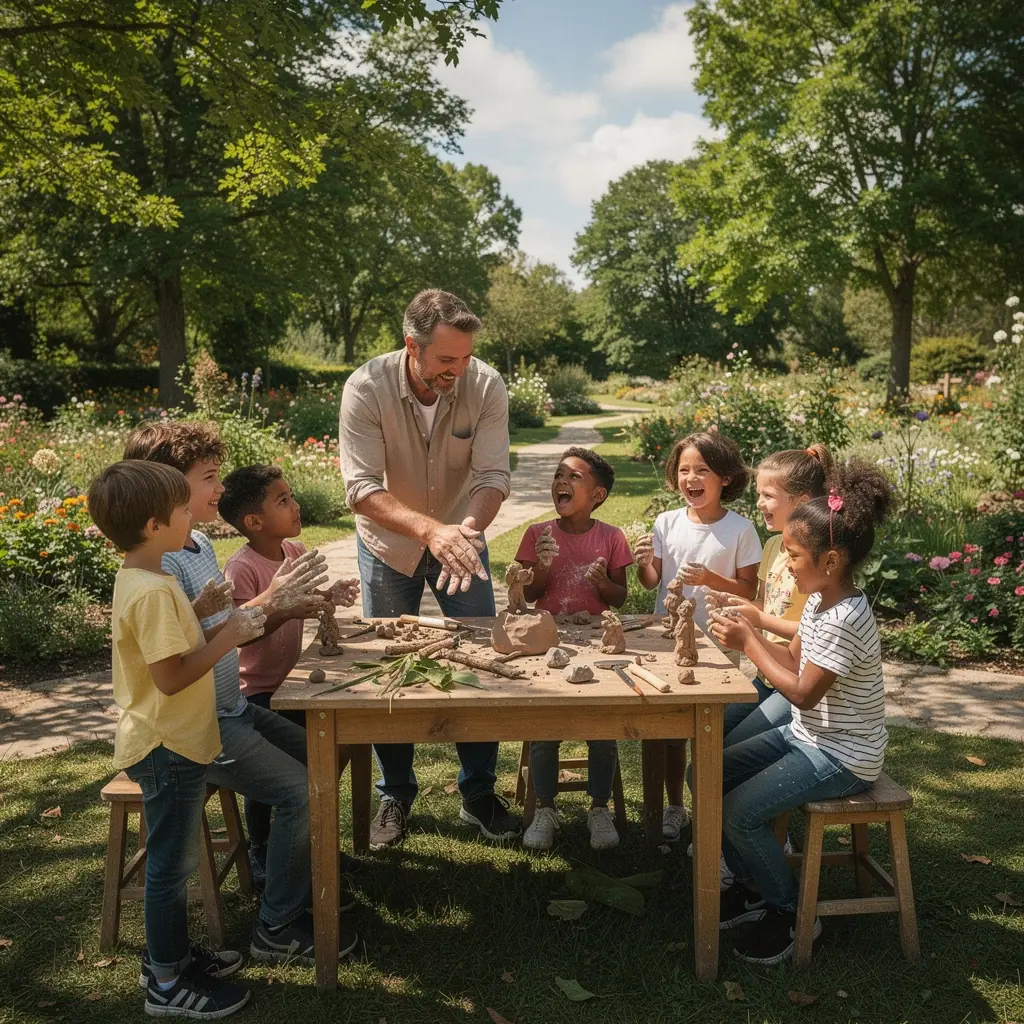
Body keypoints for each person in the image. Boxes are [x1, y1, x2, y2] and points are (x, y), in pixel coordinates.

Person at [123, 421, 360, 967]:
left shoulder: (201, 542)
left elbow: (214, 625)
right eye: (208, 478)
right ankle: (275, 925)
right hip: (200, 724)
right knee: (301, 791)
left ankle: (302, 869)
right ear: (166, 487)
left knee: (324, 757)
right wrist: (270, 600)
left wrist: (278, 605)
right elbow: (182, 655)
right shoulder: (160, 566)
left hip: (230, 709)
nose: (219, 489)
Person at [339, 289, 517, 849]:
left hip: (462, 539)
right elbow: (362, 490)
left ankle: (479, 794)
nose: (458, 371)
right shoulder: (365, 388)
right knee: (392, 665)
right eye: (446, 361)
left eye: (464, 359)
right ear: (411, 346)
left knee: (483, 659)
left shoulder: (485, 385)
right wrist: (430, 532)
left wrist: (461, 533)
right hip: (388, 547)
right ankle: (396, 792)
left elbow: (492, 477)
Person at [88, 460, 265, 1019]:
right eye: (183, 510)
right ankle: (165, 982)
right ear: (153, 525)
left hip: (173, 740)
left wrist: (200, 612)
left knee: (173, 862)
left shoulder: (144, 580)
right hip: (169, 746)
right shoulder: (152, 592)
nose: (194, 514)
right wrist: (229, 633)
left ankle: (174, 958)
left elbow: (160, 646)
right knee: (170, 867)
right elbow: (170, 676)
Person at [707, 459, 892, 966]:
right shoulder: (817, 599)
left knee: (741, 814)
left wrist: (749, 641)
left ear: (831, 561)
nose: (786, 564)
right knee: (707, 771)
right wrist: (757, 627)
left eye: (793, 555)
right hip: (807, 735)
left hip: (842, 755)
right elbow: (792, 657)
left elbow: (803, 693)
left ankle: (790, 914)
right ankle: (751, 886)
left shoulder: (845, 617)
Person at [219, 463, 359, 870]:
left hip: (293, 684)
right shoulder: (241, 569)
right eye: (283, 500)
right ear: (254, 521)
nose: (296, 506)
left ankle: (307, 844)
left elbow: (306, 599)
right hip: (257, 692)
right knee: (271, 783)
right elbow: (241, 633)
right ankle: (264, 854)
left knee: (321, 757)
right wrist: (281, 611)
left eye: (293, 496)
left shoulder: (294, 552)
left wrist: (329, 595)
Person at [634, 432, 761, 842]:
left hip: (720, 643)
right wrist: (642, 565)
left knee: (710, 733)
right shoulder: (666, 522)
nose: (691, 477)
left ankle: (711, 807)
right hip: (668, 640)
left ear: (725, 477)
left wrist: (709, 579)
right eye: (684, 469)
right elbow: (652, 580)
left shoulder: (740, 529)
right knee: (668, 732)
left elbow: (749, 590)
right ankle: (673, 807)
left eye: (702, 470)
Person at [513, 447, 634, 851]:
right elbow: (528, 595)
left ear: (597, 495)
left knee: (603, 728)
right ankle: (545, 806)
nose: (561, 482)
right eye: (558, 474)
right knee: (546, 726)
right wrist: (543, 566)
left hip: (597, 639)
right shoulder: (537, 534)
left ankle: (598, 807)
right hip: (548, 639)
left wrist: (600, 583)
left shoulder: (612, 537)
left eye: (574, 477)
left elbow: (618, 598)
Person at [709, 444, 834, 743]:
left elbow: (812, 631)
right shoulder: (772, 547)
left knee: (726, 747)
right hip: (766, 675)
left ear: (801, 502)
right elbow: (763, 604)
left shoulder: (816, 564)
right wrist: (738, 607)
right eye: (758, 496)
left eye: (767, 496)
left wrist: (757, 622)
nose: (759, 504)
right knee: (712, 734)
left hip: (794, 679)